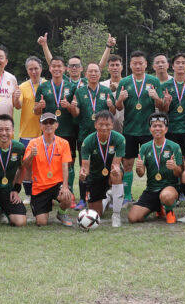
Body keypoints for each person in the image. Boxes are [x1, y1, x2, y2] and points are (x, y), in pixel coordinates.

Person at [115, 50, 167, 204]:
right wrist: (120, 99)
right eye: (134, 63)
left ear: (146, 65)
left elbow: (161, 105)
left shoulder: (154, 81)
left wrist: (156, 97)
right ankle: (127, 196)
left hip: (148, 130)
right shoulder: (124, 82)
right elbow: (118, 107)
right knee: (128, 163)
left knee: (152, 163)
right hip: (129, 130)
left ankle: (153, 192)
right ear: (130, 65)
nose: (138, 66)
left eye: (140, 63)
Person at [34, 56, 79, 201]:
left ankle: (69, 193)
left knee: (69, 163)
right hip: (49, 131)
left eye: (59, 66)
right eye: (54, 66)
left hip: (68, 131)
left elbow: (75, 111)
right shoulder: (43, 86)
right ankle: (49, 193)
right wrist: (39, 107)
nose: (57, 69)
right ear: (50, 68)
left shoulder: (71, 87)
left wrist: (70, 107)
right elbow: (35, 111)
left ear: (64, 68)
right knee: (48, 162)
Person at [22, 113, 76, 227]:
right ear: (40, 126)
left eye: (51, 122)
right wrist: (31, 155)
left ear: (56, 125)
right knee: (42, 222)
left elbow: (65, 166)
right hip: (39, 187)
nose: (48, 125)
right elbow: (25, 165)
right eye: (45, 123)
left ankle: (61, 214)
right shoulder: (33, 143)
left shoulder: (63, 143)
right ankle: (42, 207)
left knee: (67, 197)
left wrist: (65, 186)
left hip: (57, 184)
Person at [74, 63, 115, 211]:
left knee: (104, 166)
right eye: (90, 71)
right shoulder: (79, 91)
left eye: (96, 71)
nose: (93, 74)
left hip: (104, 137)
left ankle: (105, 196)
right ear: (85, 74)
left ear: (100, 74)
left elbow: (113, 113)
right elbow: (76, 113)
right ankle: (82, 199)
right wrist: (73, 107)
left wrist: (111, 106)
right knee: (84, 168)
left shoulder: (106, 90)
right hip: (85, 136)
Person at [129, 113, 183, 224]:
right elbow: (140, 174)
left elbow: (179, 173)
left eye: (160, 126)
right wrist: (139, 167)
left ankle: (169, 211)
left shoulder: (174, 146)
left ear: (166, 129)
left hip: (169, 187)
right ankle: (157, 207)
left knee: (166, 196)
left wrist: (174, 167)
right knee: (133, 218)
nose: (157, 128)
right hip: (151, 189)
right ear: (150, 129)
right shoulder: (144, 147)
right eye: (154, 126)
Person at [79, 110, 126, 227]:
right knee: (96, 214)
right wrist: (83, 174)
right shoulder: (88, 141)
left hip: (110, 173)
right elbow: (85, 166)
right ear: (95, 125)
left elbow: (116, 164)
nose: (104, 127)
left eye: (107, 124)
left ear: (112, 125)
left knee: (116, 174)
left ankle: (116, 214)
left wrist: (115, 170)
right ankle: (107, 197)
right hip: (95, 176)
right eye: (101, 124)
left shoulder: (119, 139)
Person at [18, 56, 45, 201]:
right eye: (30, 69)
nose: (34, 71)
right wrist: (16, 98)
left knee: (44, 164)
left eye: (36, 68)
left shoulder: (48, 84)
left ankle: (42, 192)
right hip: (27, 133)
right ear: (27, 70)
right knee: (27, 166)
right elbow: (18, 104)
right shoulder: (22, 87)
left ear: (41, 68)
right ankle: (28, 195)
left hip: (45, 133)